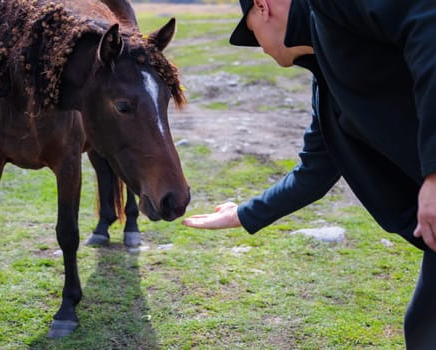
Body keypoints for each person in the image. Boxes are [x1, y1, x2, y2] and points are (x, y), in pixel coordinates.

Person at [182, 0, 436, 348]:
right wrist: (242, 214)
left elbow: (427, 22)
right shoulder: (327, 83)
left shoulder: (332, 8)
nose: (258, 45)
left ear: (262, 6)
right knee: (425, 327)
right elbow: (313, 173)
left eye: (251, 31)